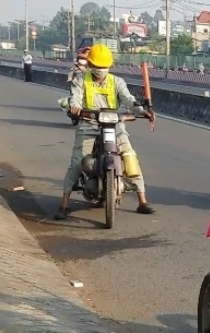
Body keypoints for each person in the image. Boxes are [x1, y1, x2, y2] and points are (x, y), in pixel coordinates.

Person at [55, 44, 156, 220]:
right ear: (90, 65)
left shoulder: (117, 82)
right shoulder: (80, 80)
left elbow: (129, 100)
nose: (101, 70)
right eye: (97, 66)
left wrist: (142, 111)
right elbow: (76, 98)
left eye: (104, 66)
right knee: (78, 162)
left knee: (129, 156)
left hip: (114, 125)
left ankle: (142, 201)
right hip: (89, 124)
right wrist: (75, 108)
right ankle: (64, 204)